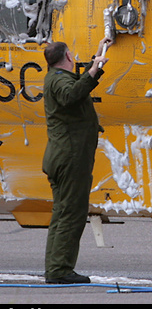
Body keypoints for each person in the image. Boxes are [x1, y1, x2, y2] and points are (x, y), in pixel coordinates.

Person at [41, 38, 109, 285]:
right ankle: (59, 271)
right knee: (71, 214)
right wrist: (93, 69)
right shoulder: (59, 80)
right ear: (68, 57)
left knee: (63, 213)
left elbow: (77, 86)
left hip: (66, 157)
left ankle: (55, 268)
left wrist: (98, 59)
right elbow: (71, 94)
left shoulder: (57, 77)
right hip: (70, 159)